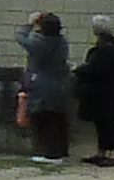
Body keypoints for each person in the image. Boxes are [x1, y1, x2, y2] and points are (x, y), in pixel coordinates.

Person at [19, 10, 73, 163]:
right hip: (60, 83)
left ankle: (51, 153)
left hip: (43, 85)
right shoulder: (62, 43)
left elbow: (21, 37)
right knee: (59, 118)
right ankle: (62, 152)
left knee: (43, 118)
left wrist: (29, 23)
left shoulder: (39, 44)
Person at [82, 17, 114, 168]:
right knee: (102, 123)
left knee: (106, 123)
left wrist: (79, 70)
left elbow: (96, 69)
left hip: (104, 91)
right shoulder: (111, 47)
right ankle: (102, 151)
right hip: (107, 90)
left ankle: (113, 153)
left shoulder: (104, 49)